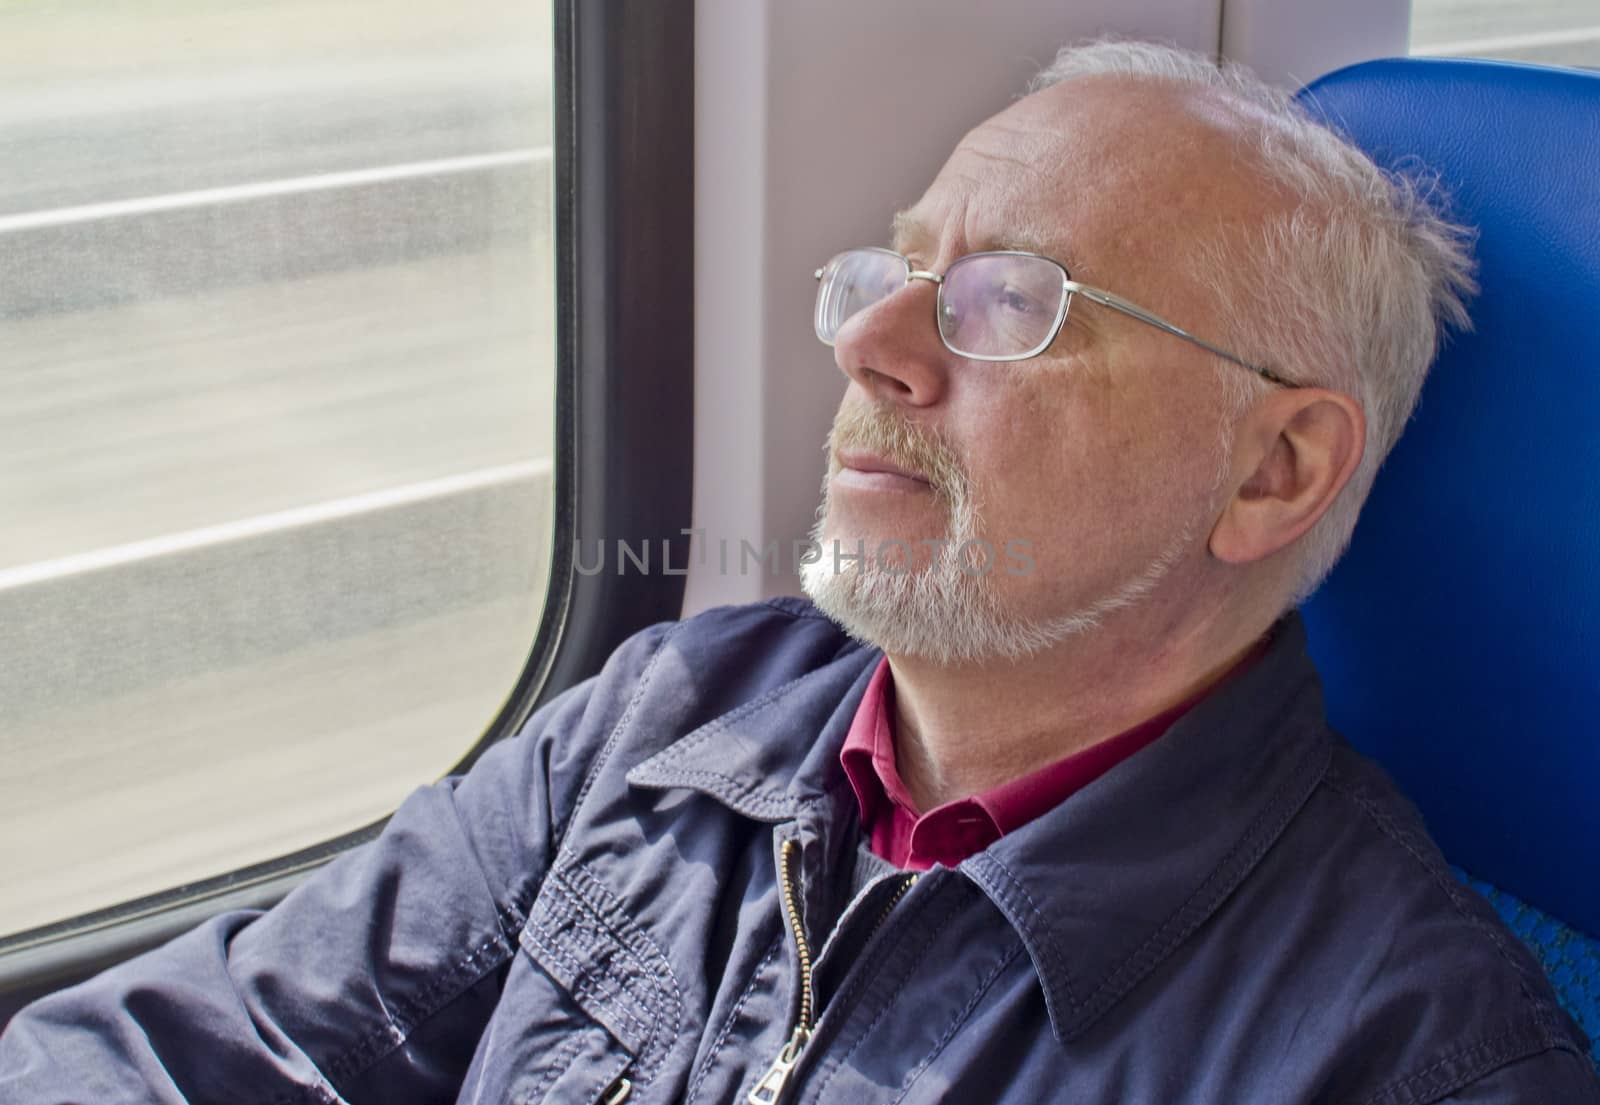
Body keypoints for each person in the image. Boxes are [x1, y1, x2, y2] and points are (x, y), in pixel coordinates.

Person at [3, 37, 1597, 1105]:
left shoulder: (1393, 1051)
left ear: (1273, 469)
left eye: (1009, 302)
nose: (866, 339)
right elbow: (195, 1045)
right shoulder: (680, 710)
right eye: (895, 271)